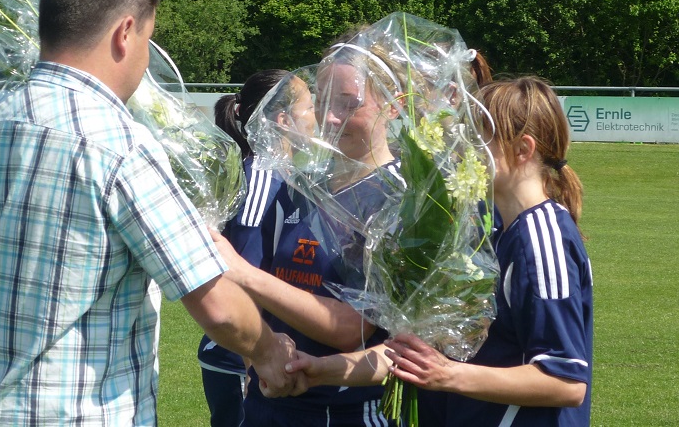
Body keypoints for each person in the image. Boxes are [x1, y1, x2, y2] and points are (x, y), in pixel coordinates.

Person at [0, 0, 299, 426]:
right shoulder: (120, 143)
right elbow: (215, 304)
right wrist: (269, 351)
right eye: (148, 40)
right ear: (125, 33)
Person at [286, 75, 593, 427]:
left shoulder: (543, 236)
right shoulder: (485, 230)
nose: (463, 151)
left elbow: (565, 381)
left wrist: (448, 375)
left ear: (523, 150)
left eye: (477, 140)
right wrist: (321, 370)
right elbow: (424, 354)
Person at [211, 32, 407, 426]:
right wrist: (260, 359)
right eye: (322, 101)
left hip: (346, 413)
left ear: (394, 105)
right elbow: (253, 298)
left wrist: (242, 273)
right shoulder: (298, 186)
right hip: (269, 403)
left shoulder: (400, 198)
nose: (330, 118)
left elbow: (354, 327)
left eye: (349, 103)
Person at [198, 69, 316, 427]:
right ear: (283, 120)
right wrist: (255, 361)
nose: (318, 118)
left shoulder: (285, 173)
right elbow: (240, 274)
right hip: (241, 359)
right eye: (310, 107)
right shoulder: (262, 177)